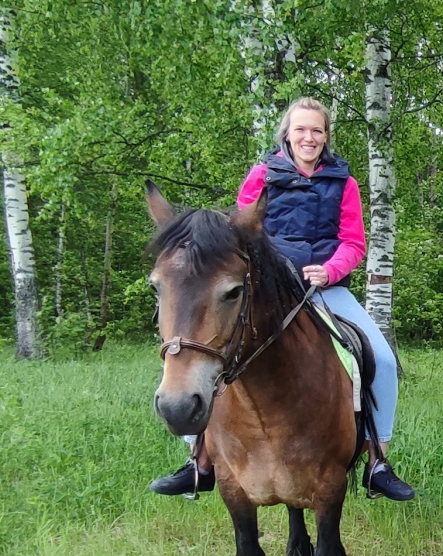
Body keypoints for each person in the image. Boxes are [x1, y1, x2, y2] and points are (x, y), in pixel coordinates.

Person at [150, 97, 415, 501]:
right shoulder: (261, 175)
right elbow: (239, 236)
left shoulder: (345, 183)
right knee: (217, 347)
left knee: (378, 357)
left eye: (317, 130)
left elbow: (354, 243)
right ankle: (199, 459)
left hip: (325, 288)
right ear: (287, 135)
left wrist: (331, 269)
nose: (309, 137)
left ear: (326, 137)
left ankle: (378, 459)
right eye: (301, 129)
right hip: (273, 288)